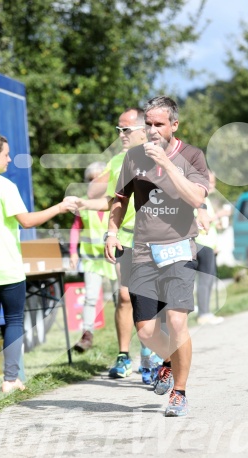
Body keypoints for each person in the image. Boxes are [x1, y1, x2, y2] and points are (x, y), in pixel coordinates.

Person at [105, 96, 209, 417]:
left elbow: (195, 197)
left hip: (179, 248)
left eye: (158, 124)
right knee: (147, 331)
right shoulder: (133, 157)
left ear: (174, 125)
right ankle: (168, 360)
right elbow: (120, 199)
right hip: (142, 252)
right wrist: (111, 231)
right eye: (147, 124)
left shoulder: (192, 156)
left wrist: (166, 163)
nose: (151, 130)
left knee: (177, 321)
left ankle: (179, 392)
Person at [0, 134, 77, 395]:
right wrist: (59, 207)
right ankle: (11, 380)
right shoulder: (5, 187)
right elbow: (27, 221)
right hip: (7, 266)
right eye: (6, 155)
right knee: (13, 321)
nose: (9, 159)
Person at [78, 108, 162, 382]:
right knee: (124, 296)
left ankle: (150, 356)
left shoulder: (161, 156)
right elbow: (113, 201)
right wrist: (84, 204)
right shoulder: (117, 160)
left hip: (155, 238)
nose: (121, 135)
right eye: (118, 130)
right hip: (125, 237)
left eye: (125, 130)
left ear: (142, 130)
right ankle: (124, 355)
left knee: (150, 299)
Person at [70, 161, 118, 352]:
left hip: (113, 256)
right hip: (91, 259)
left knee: (120, 299)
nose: (94, 182)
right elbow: (75, 228)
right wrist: (73, 252)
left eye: (98, 178)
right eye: (90, 180)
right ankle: (87, 335)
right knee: (90, 297)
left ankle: (126, 336)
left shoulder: (115, 199)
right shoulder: (83, 203)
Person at [195, 170, 224, 325]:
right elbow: (198, 222)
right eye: (210, 182)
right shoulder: (198, 200)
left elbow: (209, 222)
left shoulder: (207, 200)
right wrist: (219, 215)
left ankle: (206, 312)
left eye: (214, 182)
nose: (213, 186)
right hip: (201, 243)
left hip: (209, 244)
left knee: (209, 279)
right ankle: (203, 314)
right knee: (205, 280)